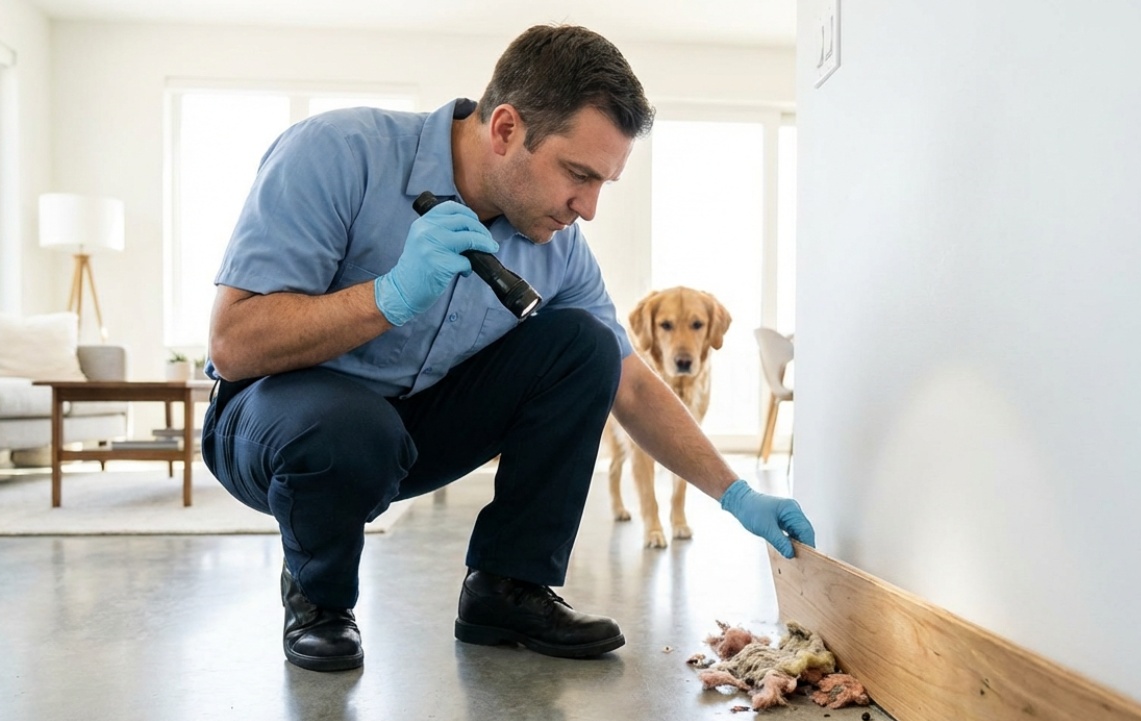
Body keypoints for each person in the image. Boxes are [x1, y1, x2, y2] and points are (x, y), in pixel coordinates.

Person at [203, 24, 815, 673]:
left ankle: (508, 589)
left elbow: (630, 383)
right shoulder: (337, 153)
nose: (588, 208)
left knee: (585, 345)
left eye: (604, 183)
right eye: (578, 174)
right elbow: (233, 343)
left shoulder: (558, 247)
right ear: (504, 129)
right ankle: (319, 601)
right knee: (350, 427)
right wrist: (388, 296)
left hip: (411, 430)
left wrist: (736, 494)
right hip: (278, 426)